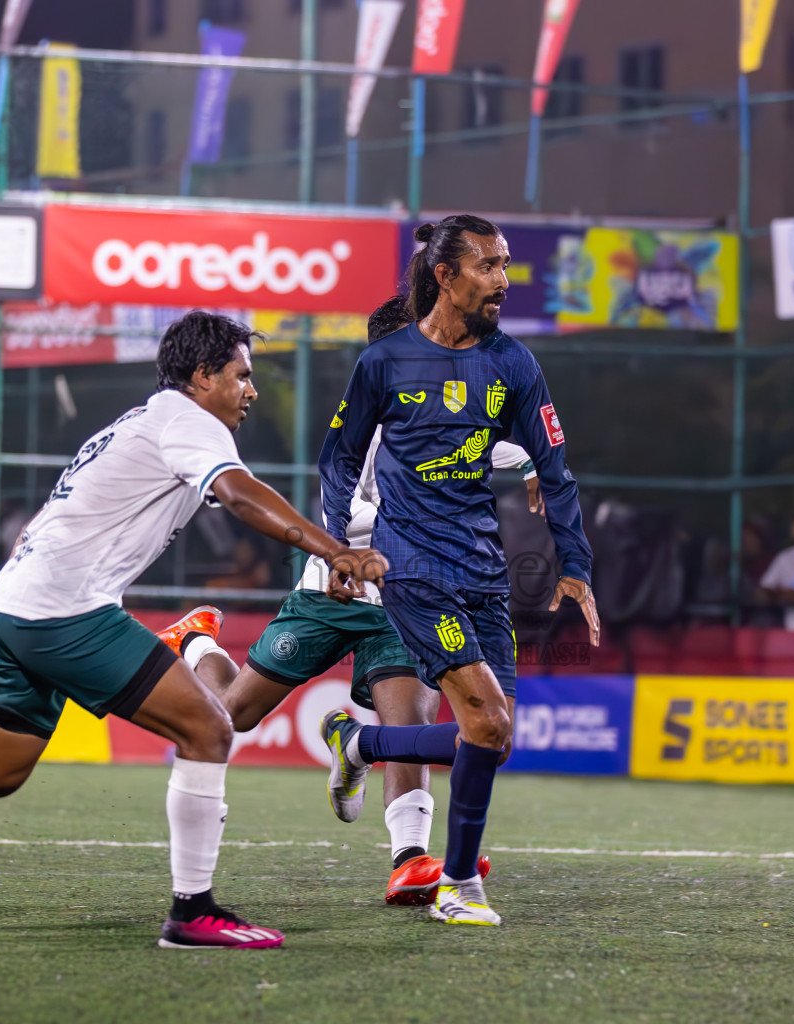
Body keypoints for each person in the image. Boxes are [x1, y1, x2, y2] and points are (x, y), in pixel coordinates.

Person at [0, 312, 386, 950]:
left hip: (26, 605)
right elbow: (238, 493)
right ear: (202, 376)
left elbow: (62, 517)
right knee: (207, 728)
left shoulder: (137, 423)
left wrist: (6, 624)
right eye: (241, 374)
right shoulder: (188, 421)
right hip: (64, 611)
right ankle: (193, 911)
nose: (251, 390)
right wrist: (335, 550)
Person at [158, 296, 542, 907]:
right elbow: (342, 497)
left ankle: (408, 860)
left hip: (406, 595)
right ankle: (198, 641)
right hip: (333, 590)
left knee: (410, 721)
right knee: (234, 715)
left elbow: (488, 450)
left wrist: (528, 462)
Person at [314, 215, 599, 927]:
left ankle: (362, 742)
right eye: (489, 266)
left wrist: (576, 564)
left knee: (494, 737)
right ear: (445, 275)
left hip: (482, 566)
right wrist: (336, 548)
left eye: (505, 265)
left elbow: (554, 471)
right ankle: (459, 885)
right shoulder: (385, 362)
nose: (503, 280)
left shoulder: (514, 364)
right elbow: (340, 457)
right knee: (485, 716)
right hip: (410, 566)